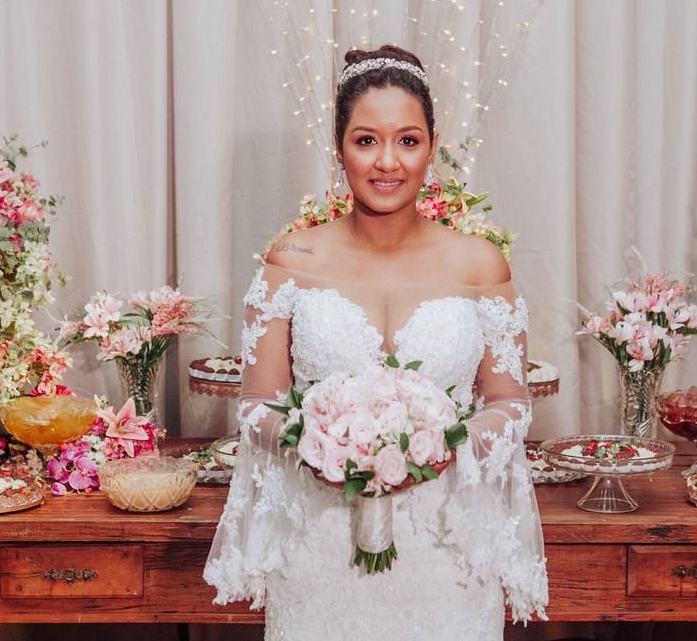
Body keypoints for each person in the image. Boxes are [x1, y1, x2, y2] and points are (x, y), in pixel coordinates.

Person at [203, 45, 548, 640]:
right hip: (319, 553)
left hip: (447, 558)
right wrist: (318, 442)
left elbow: (509, 403)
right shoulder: (293, 257)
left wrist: (441, 444)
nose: (388, 161)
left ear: (432, 148)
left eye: (408, 140)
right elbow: (257, 404)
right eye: (366, 140)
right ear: (339, 148)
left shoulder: (480, 262)